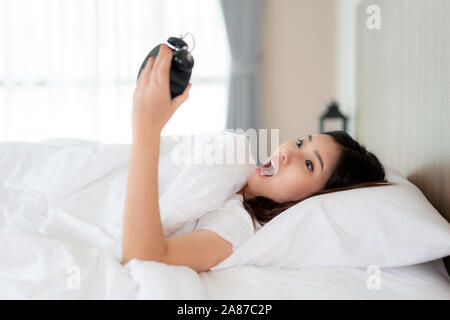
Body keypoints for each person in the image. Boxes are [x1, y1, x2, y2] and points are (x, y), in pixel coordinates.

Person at [120, 44, 388, 273]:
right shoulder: (235, 168)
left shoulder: (237, 224)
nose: (287, 151)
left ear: (311, 201)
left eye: (309, 165)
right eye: (299, 142)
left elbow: (145, 258)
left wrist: (146, 130)